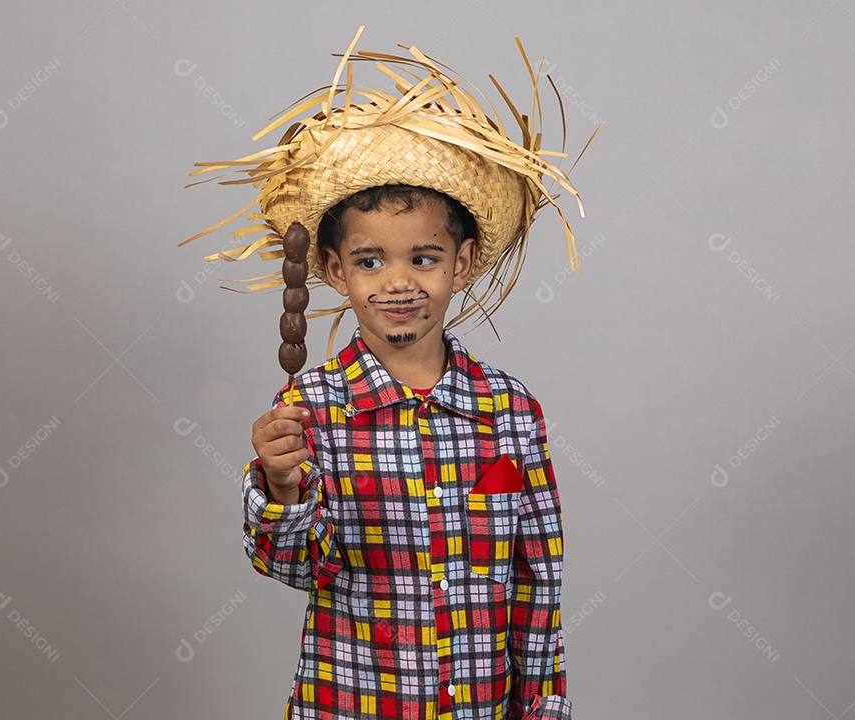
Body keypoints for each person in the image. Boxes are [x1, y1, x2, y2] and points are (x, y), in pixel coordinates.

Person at [184, 27, 595, 720]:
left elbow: (537, 584)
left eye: (424, 258)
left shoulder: (511, 411)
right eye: (371, 262)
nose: (399, 282)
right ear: (337, 272)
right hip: (348, 704)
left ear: (461, 265)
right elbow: (295, 569)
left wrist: (543, 708)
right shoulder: (311, 410)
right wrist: (283, 490)